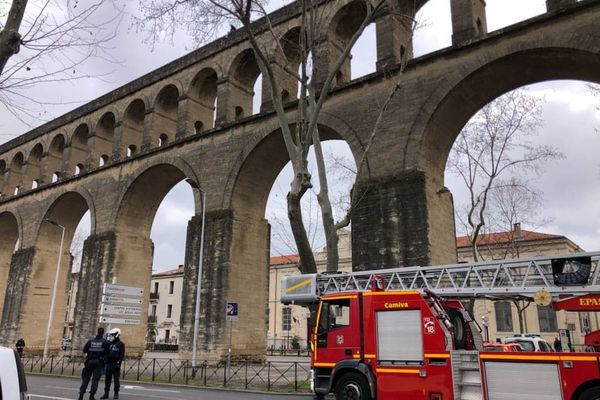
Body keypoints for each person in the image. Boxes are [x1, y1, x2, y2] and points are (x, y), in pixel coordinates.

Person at [79, 327, 109, 400]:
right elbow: (107, 353)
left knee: (86, 379)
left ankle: (81, 396)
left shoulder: (90, 341)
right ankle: (91, 396)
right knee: (95, 380)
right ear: (103, 333)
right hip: (98, 363)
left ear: (97, 332)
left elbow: (84, 350)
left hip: (89, 362)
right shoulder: (105, 342)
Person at [101, 328, 125, 400]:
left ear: (117, 335)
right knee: (107, 380)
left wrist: (119, 363)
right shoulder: (109, 343)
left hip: (115, 364)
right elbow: (105, 352)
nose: (111, 336)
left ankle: (116, 394)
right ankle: (106, 393)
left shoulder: (121, 344)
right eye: (111, 335)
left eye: (112, 335)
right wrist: (105, 359)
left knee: (116, 380)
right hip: (109, 364)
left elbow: (121, 355)